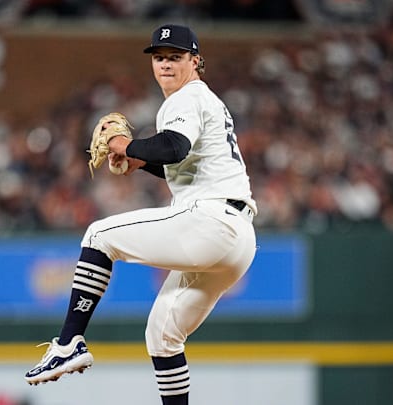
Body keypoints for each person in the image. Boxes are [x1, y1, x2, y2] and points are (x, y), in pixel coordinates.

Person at [24, 23, 258, 405]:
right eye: (160, 57)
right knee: (162, 336)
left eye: (176, 57)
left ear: (196, 62)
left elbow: (174, 147)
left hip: (212, 222)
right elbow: (183, 163)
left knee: (98, 237)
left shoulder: (187, 97)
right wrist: (136, 160)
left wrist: (124, 144)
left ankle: (68, 343)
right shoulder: (202, 101)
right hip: (237, 238)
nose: (165, 64)